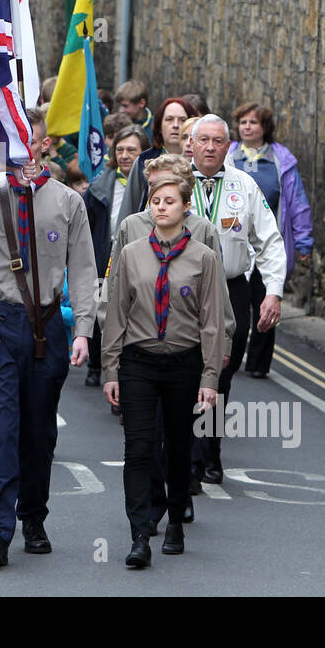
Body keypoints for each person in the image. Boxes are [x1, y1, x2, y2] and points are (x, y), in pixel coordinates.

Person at [0, 108, 97, 567]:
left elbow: (85, 271)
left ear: (44, 146)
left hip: (47, 324)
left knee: (38, 431)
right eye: (10, 138)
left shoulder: (68, 202)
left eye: (25, 139)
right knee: (0, 426)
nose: (19, 148)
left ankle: (33, 517)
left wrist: (84, 331)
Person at [103, 174, 225, 566]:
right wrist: (110, 369)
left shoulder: (203, 258)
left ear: (185, 208)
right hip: (138, 363)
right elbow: (116, 313)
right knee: (137, 450)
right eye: (155, 200)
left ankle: (175, 519)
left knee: (177, 448)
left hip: (183, 364)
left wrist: (209, 379)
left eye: (169, 201)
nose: (160, 206)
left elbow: (212, 322)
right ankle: (140, 535)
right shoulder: (131, 253)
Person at [188, 114, 286, 485]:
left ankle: (210, 449)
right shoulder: (176, 183)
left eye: (218, 141)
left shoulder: (244, 185)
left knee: (223, 373)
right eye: (204, 140)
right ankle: (192, 462)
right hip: (186, 291)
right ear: (192, 144)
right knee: (190, 370)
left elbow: (270, 241)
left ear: (228, 147)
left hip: (230, 290)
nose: (211, 147)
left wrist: (273, 292)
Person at [226, 102, 314, 378]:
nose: (247, 127)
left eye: (253, 122)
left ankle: (258, 364)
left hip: (268, 243)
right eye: (243, 122)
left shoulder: (281, 161)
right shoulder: (228, 156)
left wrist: (303, 241)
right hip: (237, 243)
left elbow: (297, 203)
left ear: (265, 127)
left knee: (266, 302)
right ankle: (232, 355)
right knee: (235, 306)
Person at [82, 125, 149, 386]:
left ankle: (125, 369)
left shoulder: (150, 185)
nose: (124, 155)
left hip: (137, 258)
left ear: (143, 153)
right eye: (120, 149)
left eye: (132, 150)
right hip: (104, 257)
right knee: (102, 310)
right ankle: (96, 364)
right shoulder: (101, 184)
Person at [118, 96, 202, 233]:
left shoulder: (200, 162)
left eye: (182, 120)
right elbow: (130, 206)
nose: (175, 125)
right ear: (159, 126)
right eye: (169, 119)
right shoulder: (143, 160)